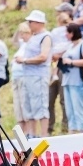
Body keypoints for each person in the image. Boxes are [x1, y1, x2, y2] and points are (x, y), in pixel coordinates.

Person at [17, 9, 51, 138]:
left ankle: (43, 134)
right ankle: (31, 133)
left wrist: (25, 60)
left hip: (38, 74)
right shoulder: (33, 37)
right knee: (29, 104)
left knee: (40, 105)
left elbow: (43, 56)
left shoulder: (46, 36)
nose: (29, 24)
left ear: (38, 22)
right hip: (27, 74)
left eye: (31, 22)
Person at [61, 23, 83, 131]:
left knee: (79, 109)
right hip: (67, 80)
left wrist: (72, 62)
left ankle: (82, 133)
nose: (66, 35)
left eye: (67, 32)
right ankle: (73, 132)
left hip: (78, 81)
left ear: (73, 33)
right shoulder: (69, 46)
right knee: (70, 110)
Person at [11, 22, 31, 134]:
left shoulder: (31, 45)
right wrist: (19, 28)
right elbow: (14, 40)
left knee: (24, 104)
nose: (21, 36)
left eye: (23, 33)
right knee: (17, 104)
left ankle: (28, 132)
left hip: (24, 76)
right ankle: (21, 132)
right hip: (16, 77)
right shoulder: (22, 44)